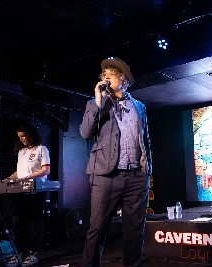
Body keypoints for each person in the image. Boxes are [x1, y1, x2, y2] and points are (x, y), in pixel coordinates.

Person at [80, 56, 152, 267]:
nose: (105, 78)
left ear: (124, 80)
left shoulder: (140, 107)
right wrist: (96, 101)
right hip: (105, 175)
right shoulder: (98, 104)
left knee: (134, 230)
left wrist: (147, 168)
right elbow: (85, 133)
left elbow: (145, 138)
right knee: (97, 229)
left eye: (110, 75)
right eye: (104, 75)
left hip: (136, 177)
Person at [7, 123, 51, 266]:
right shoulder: (22, 152)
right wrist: (7, 180)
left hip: (36, 190)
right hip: (21, 190)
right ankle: (19, 251)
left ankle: (33, 252)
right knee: (17, 222)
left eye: (24, 136)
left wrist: (28, 177)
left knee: (34, 223)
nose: (22, 139)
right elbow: (19, 172)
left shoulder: (41, 149)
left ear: (30, 134)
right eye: (19, 137)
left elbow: (45, 171)